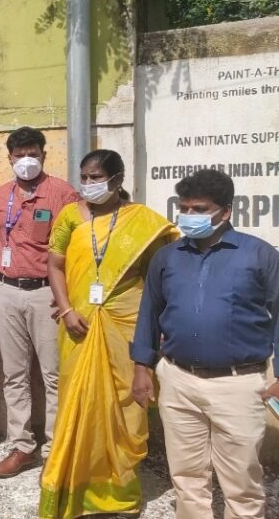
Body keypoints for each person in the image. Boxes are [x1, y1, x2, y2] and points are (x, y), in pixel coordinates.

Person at [130, 169, 279, 519]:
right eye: (184, 208)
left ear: (225, 211)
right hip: (178, 380)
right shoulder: (167, 257)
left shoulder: (259, 255)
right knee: (186, 476)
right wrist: (142, 367)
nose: (189, 216)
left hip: (239, 384)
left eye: (199, 209)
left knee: (241, 481)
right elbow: (149, 312)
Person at [38, 149, 177, 519]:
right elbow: (54, 264)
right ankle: (78, 487)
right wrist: (66, 308)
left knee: (127, 408)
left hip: (127, 325)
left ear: (117, 180)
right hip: (77, 324)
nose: (88, 184)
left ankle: (120, 492)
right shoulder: (70, 215)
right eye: (84, 176)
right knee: (78, 402)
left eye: (96, 177)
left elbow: (158, 277)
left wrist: (159, 325)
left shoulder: (142, 222)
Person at [0, 127, 79, 478]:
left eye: (32, 153)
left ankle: (56, 448)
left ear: (43, 154)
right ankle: (22, 446)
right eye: (19, 154)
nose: (26, 160)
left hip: (47, 293)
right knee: (13, 373)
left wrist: (68, 298)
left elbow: (76, 249)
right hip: (6, 290)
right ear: (8, 158)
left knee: (54, 374)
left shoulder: (64, 194)